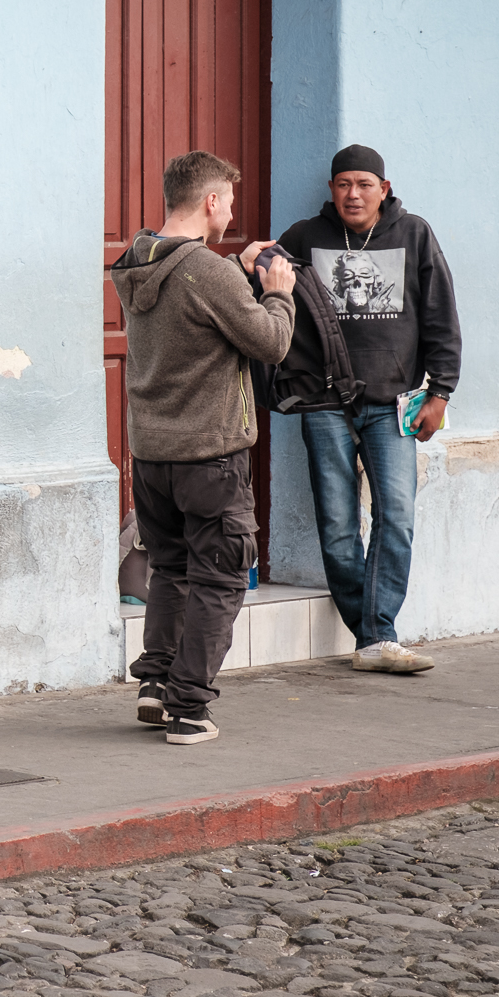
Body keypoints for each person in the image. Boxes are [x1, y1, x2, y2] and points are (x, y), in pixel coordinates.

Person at [249, 145, 460, 674]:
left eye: (364, 184)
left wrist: (441, 393)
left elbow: (440, 317)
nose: (353, 194)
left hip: (393, 406)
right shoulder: (304, 238)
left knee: (398, 517)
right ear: (331, 190)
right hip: (323, 404)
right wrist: (247, 263)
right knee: (339, 524)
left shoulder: (414, 235)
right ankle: (375, 638)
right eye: (343, 184)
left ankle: (375, 635)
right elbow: (263, 287)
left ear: (383, 189)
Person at [109, 151, 296, 746]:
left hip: (153, 454)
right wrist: (278, 291)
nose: (232, 212)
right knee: (221, 579)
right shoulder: (206, 272)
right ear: (211, 201)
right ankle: (189, 709)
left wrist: (236, 275)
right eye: (230, 201)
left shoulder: (136, 261)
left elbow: (194, 322)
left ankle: (157, 682)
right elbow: (269, 342)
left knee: (171, 569)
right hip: (209, 456)